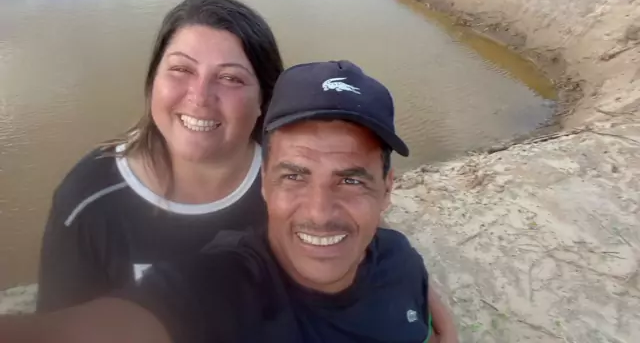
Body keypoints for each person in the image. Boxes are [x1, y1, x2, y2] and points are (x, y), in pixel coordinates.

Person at [1, 60, 458, 343]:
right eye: (294, 175)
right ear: (264, 184)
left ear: (387, 189)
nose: (320, 212)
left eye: (351, 180)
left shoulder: (400, 259)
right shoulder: (217, 287)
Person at [36, 0, 284, 311]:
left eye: (230, 78)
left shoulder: (294, 184)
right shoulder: (89, 200)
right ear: (154, 80)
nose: (200, 97)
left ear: (264, 98)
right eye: (181, 69)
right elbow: (63, 327)